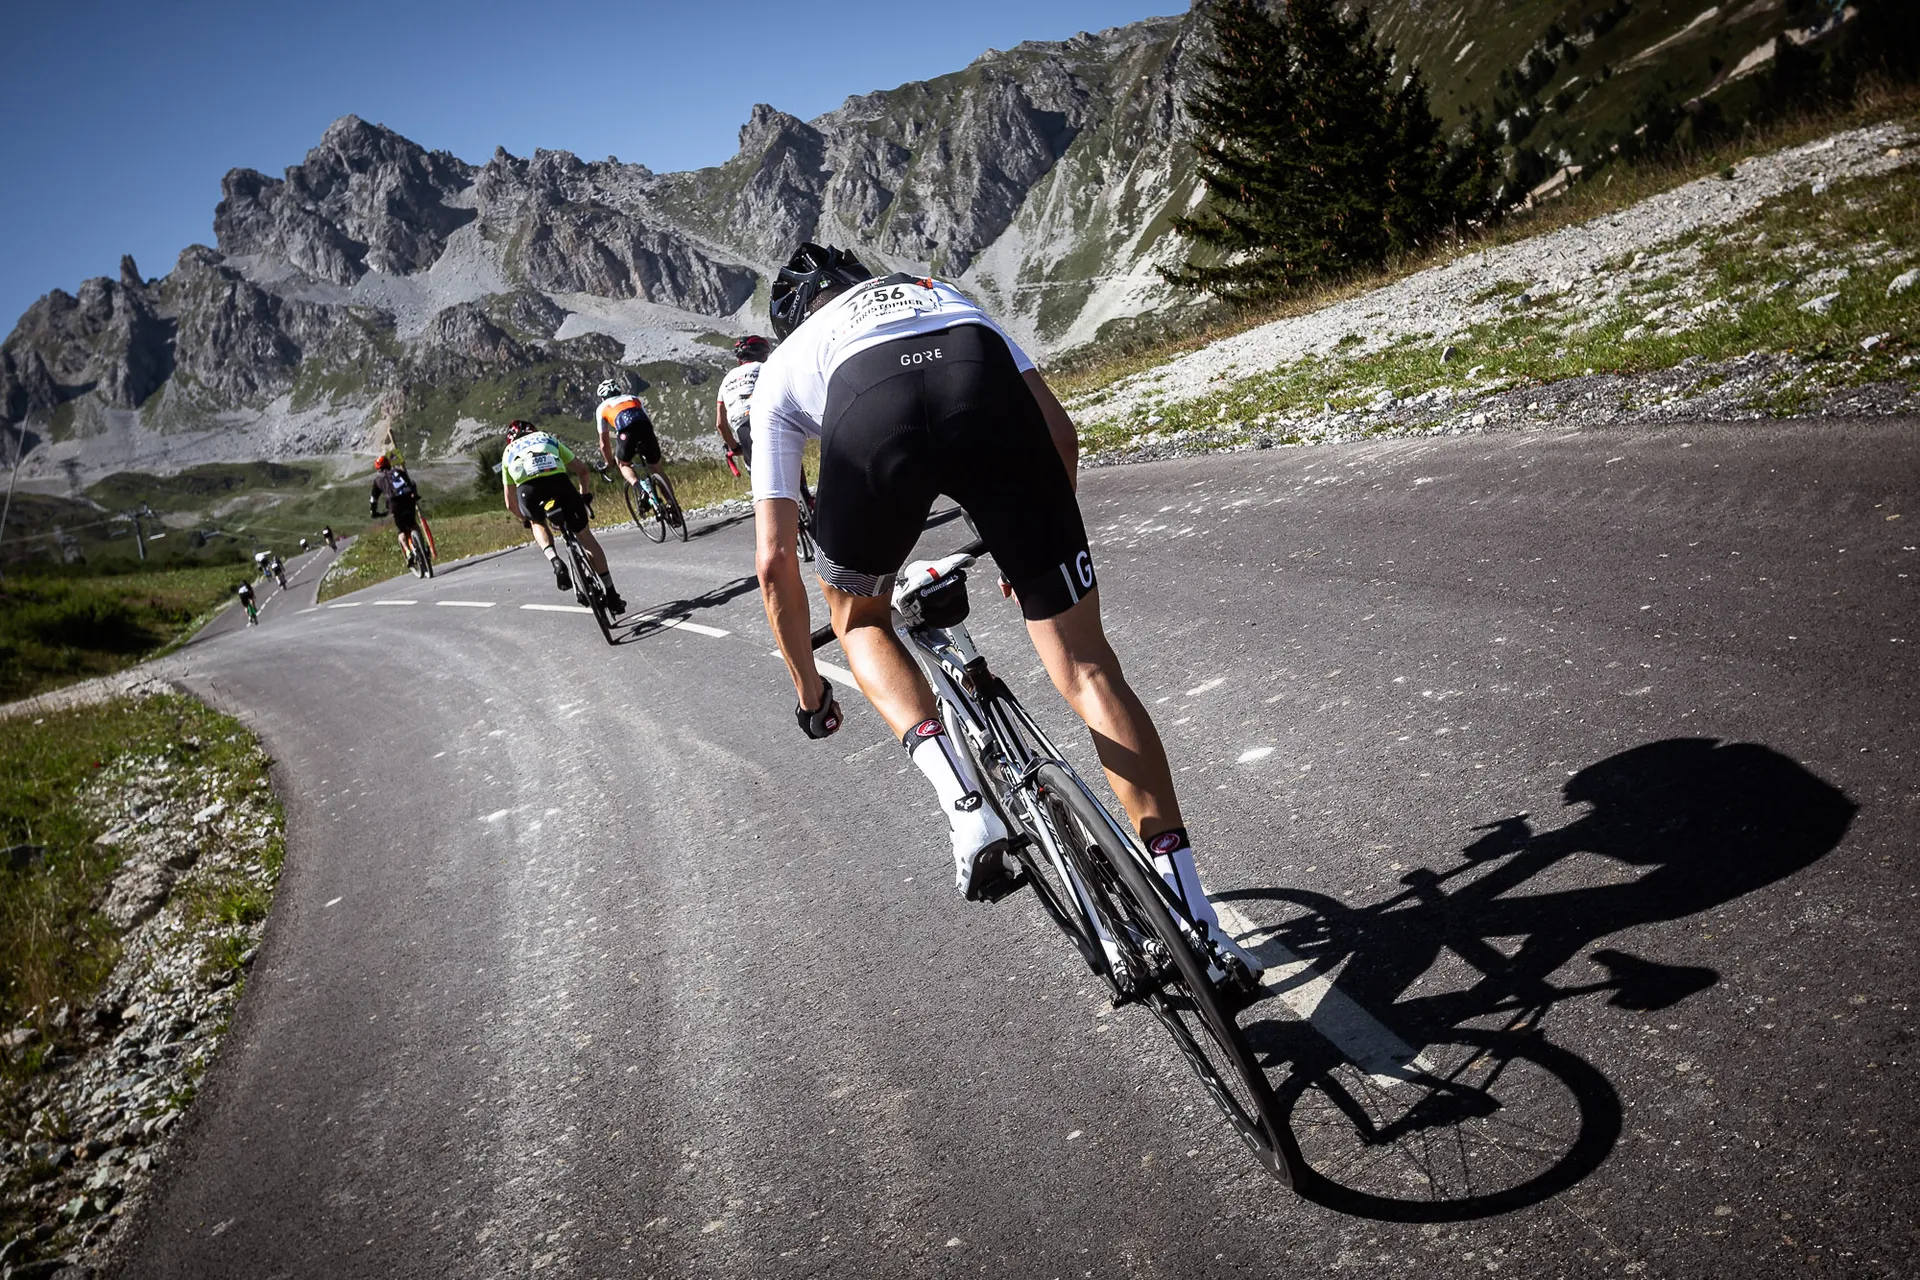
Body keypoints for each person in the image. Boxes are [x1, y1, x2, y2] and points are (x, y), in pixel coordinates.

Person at [750, 242, 1259, 979]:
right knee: (1088, 667)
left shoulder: (784, 363)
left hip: (869, 417)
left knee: (860, 619)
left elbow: (773, 562)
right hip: (975, 376)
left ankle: (964, 804)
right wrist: (1032, 557)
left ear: (793, 320)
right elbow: (1059, 433)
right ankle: (1199, 920)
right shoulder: (937, 292)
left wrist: (809, 691)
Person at [500, 420, 625, 613]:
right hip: (558, 483)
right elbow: (582, 470)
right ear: (533, 431)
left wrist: (526, 519)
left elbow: (510, 503)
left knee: (537, 522)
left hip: (528, 490)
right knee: (585, 536)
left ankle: (555, 560)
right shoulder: (546, 437)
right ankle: (612, 593)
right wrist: (584, 495)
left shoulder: (508, 452)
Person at [594, 378, 676, 522]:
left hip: (627, 433)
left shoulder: (602, 407)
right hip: (646, 430)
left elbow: (604, 443)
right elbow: (647, 421)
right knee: (656, 469)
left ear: (602, 397)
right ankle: (673, 506)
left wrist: (609, 463)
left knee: (622, 463)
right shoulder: (633, 398)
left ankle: (640, 489)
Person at [368, 455, 425, 564]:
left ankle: (408, 552)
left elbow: (373, 499)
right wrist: (415, 495)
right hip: (408, 498)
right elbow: (412, 483)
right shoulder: (399, 471)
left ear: (378, 469)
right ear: (389, 464)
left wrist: (373, 512)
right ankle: (423, 548)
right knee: (413, 524)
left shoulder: (378, 479)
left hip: (394, 503)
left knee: (401, 530)